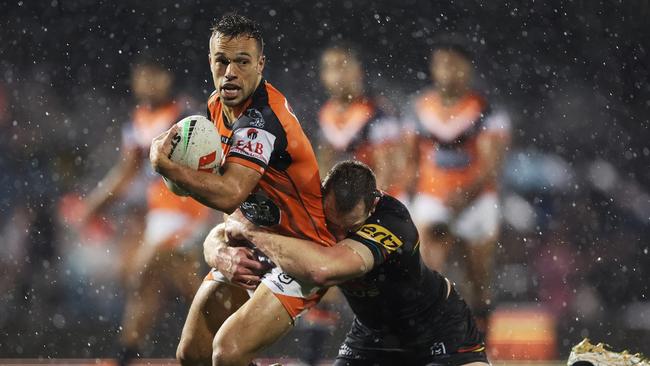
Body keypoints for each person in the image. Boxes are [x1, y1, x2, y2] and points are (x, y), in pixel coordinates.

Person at [149, 14, 335, 366]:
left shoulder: (263, 118)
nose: (230, 71)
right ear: (210, 62)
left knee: (228, 352)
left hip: (300, 252)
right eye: (222, 61)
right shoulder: (215, 106)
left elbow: (231, 191)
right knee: (193, 354)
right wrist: (222, 245)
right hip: (253, 242)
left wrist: (166, 166)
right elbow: (231, 200)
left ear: (260, 65)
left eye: (242, 62)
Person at [221, 160, 489, 366]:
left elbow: (324, 270)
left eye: (348, 229)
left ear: (372, 206)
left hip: (438, 328)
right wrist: (219, 253)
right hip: (373, 333)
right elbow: (226, 229)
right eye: (331, 224)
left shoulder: (393, 222)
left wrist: (253, 233)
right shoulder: (310, 206)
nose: (337, 236)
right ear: (323, 193)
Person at [78, 60, 212, 365]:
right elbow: (126, 173)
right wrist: (95, 204)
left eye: (154, 75)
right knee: (163, 284)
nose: (147, 82)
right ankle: (130, 350)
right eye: (141, 76)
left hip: (186, 213)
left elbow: (206, 165)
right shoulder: (137, 121)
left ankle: (129, 351)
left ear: (169, 78)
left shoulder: (186, 117)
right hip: (159, 215)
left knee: (144, 272)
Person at [407, 39, 511, 327]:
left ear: (467, 69)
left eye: (454, 64)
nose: (447, 71)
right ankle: (429, 342)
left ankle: (480, 345)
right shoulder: (418, 108)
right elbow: (410, 160)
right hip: (433, 197)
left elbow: (492, 165)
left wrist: (464, 196)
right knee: (426, 272)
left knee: (478, 276)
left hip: (477, 200)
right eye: (441, 64)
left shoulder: (487, 111)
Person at [317, 42, 409, 198]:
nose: (336, 75)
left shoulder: (377, 111)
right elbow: (324, 164)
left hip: (383, 200)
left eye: (342, 66)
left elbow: (388, 170)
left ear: (358, 71)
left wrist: (362, 206)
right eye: (329, 68)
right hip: (346, 201)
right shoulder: (325, 114)